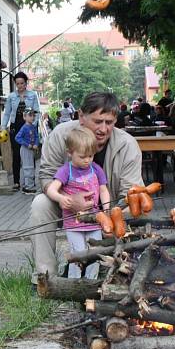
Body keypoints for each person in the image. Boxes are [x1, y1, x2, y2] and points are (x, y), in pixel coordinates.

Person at [29, 92, 143, 281]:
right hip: (66, 206)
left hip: (111, 209)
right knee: (40, 205)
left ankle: (119, 267)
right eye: (98, 121)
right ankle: (45, 276)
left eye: (110, 122)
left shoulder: (127, 145)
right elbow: (46, 176)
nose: (104, 129)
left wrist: (107, 213)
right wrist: (68, 199)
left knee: (137, 208)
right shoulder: (60, 135)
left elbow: (131, 193)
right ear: (81, 116)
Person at [45, 127, 111, 279]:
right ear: (70, 153)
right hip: (74, 223)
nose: (87, 160)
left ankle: (90, 282)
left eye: (90, 156)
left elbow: (103, 190)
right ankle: (73, 284)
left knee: (95, 253)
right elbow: (51, 189)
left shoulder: (96, 169)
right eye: (82, 157)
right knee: (78, 254)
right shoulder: (65, 170)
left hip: (94, 221)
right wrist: (61, 198)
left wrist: (106, 209)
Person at [1, 71, 41, 190]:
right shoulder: (11, 97)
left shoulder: (33, 95)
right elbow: (7, 113)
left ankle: (30, 181)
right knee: (16, 154)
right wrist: (3, 126)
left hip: (29, 127)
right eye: (17, 83)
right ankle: (16, 182)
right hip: (15, 127)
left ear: (26, 83)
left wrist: (33, 125)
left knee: (29, 154)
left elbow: (37, 112)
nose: (20, 86)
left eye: (22, 83)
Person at [14, 108, 39, 194]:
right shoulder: (24, 128)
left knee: (31, 167)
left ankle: (27, 185)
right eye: (30, 115)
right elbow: (17, 138)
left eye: (34, 115)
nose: (33, 117)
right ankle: (28, 187)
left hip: (31, 149)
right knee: (28, 167)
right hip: (25, 149)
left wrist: (36, 143)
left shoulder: (33, 126)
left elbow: (36, 136)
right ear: (24, 117)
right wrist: (26, 144)